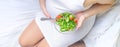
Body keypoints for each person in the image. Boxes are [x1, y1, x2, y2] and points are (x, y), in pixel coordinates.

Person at [19, 0, 115, 47]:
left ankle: (81, 44)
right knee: (23, 42)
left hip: (70, 25)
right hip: (49, 16)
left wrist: (84, 15)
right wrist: (42, 2)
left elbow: (110, 2)